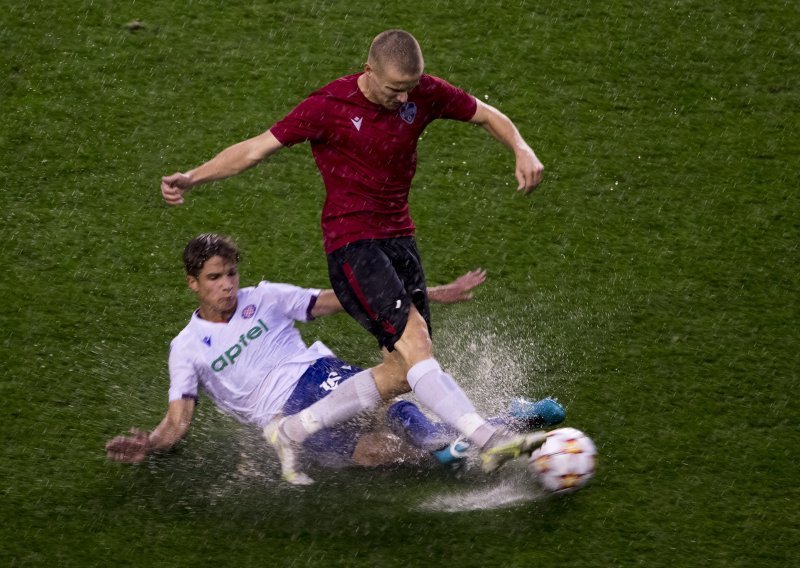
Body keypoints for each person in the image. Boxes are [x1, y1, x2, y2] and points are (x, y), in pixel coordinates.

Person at [160, 30, 547, 481]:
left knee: (402, 371)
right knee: (416, 344)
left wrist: (521, 146)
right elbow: (253, 149)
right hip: (352, 244)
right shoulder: (329, 106)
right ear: (368, 71)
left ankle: (292, 432)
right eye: (393, 89)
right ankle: (489, 441)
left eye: (409, 88)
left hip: (399, 239)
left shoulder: (420, 92)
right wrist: (192, 177)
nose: (403, 98)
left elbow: (485, 115)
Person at [105, 234, 565, 481]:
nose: (227, 284)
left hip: (313, 377)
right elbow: (178, 420)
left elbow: (345, 297)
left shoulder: (264, 298)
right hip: (280, 416)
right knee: (381, 455)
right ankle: (504, 423)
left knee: (397, 390)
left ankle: (496, 432)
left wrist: (432, 294)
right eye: (214, 277)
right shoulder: (185, 347)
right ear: (192, 283)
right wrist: (151, 444)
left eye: (231, 273)